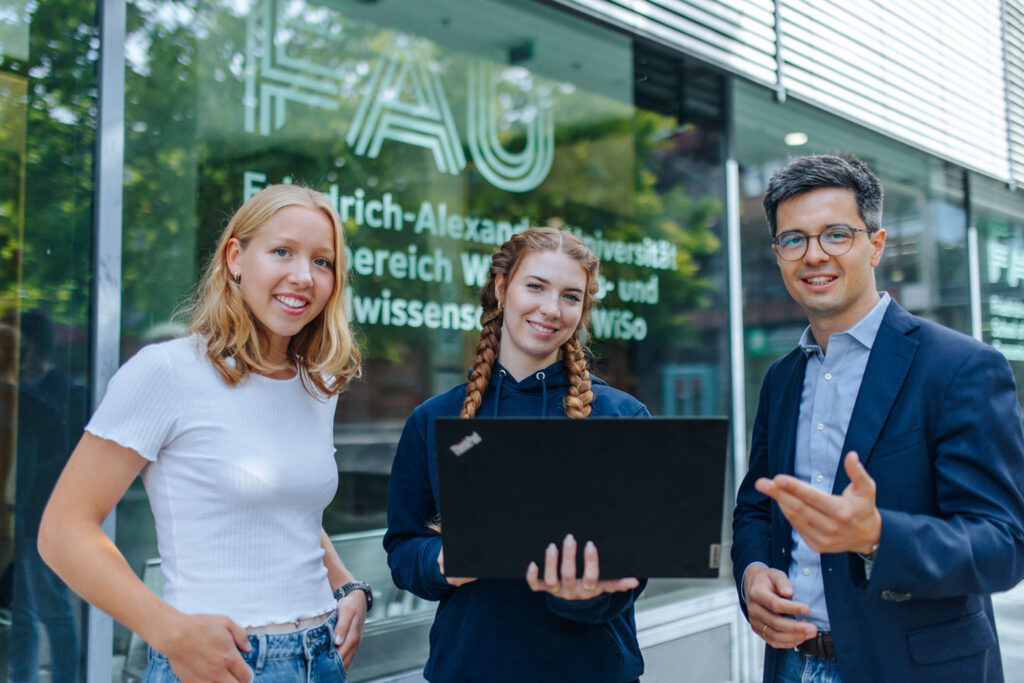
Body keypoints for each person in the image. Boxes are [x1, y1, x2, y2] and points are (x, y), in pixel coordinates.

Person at [38, 184, 371, 682]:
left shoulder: (317, 384)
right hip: (223, 664)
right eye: (282, 252)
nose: (303, 276)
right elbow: (63, 531)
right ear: (236, 257)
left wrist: (346, 585)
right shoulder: (168, 372)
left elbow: (282, 506)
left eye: (322, 262)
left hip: (322, 657)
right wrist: (168, 631)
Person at [732, 153, 1024, 682]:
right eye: (794, 240)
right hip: (793, 666)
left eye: (836, 234)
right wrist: (753, 573)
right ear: (778, 255)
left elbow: (1002, 545)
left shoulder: (961, 368)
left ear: (877, 245)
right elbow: (756, 505)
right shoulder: (781, 378)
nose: (814, 255)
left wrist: (877, 535)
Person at [383, 227, 649, 683]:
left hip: (594, 671)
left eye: (571, 296)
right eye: (536, 287)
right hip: (471, 669)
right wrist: (445, 561)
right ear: (502, 287)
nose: (551, 309)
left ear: (583, 310)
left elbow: (638, 561)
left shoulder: (621, 417)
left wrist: (585, 594)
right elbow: (403, 549)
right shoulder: (434, 419)